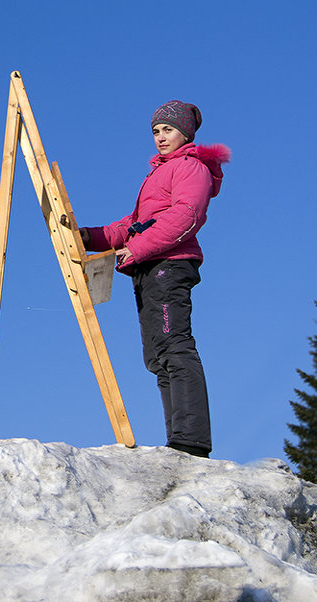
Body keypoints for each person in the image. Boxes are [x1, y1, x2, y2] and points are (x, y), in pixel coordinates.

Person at [79, 100, 230, 458]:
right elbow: (130, 225)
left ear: (185, 133)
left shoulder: (190, 167)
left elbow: (186, 215)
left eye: (168, 130)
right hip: (149, 264)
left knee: (175, 346)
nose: (161, 137)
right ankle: (179, 441)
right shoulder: (159, 172)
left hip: (169, 263)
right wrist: (87, 237)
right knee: (158, 356)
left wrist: (138, 249)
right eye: (156, 131)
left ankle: (191, 441)